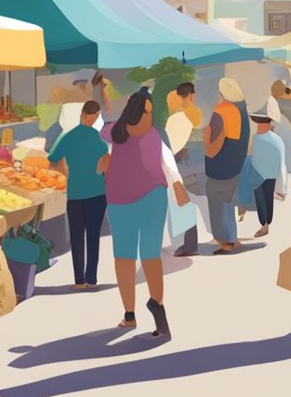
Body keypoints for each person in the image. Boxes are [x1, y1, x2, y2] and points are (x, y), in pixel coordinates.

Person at [100, 88, 188, 337]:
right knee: (137, 255)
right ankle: (143, 308)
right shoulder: (131, 133)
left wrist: (178, 183)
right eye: (148, 111)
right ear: (141, 112)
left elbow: (166, 160)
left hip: (136, 199)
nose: (150, 117)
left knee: (137, 255)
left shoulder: (129, 133)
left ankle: (143, 309)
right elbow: (166, 159)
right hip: (135, 200)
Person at [47, 100, 110, 290]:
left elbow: (52, 160)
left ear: (81, 114)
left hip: (74, 193)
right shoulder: (98, 139)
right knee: (92, 237)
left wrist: (66, 174)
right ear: (96, 116)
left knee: (76, 237)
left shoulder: (66, 136)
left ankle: (79, 281)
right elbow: (104, 162)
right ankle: (91, 278)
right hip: (97, 193)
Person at [204, 78, 250, 254]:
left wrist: (206, 135)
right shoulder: (242, 110)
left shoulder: (221, 111)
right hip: (235, 165)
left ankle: (225, 242)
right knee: (228, 202)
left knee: (216, 202)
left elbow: (211, 149)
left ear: (222, 93)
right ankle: (232, 238)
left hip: (220, 167)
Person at [166, 83, 206, 257]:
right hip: (196, 164)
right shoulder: (197, 115)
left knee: (185, 203)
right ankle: (190, 242)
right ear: (191, 95)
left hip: (181, 165)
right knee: (191, 203)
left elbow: (169, 145)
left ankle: (189, 244)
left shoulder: (175, 118)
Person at [245, 103, 286, 238]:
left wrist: (282, 186)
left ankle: (265, 224)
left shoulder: (273, 139)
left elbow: (281, 161)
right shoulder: (257, 138)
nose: (259, 126)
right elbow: (250, 156)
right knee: (263, 198)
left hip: (267, 174)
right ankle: (265, 224)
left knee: (265, 198)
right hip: (260, 174)